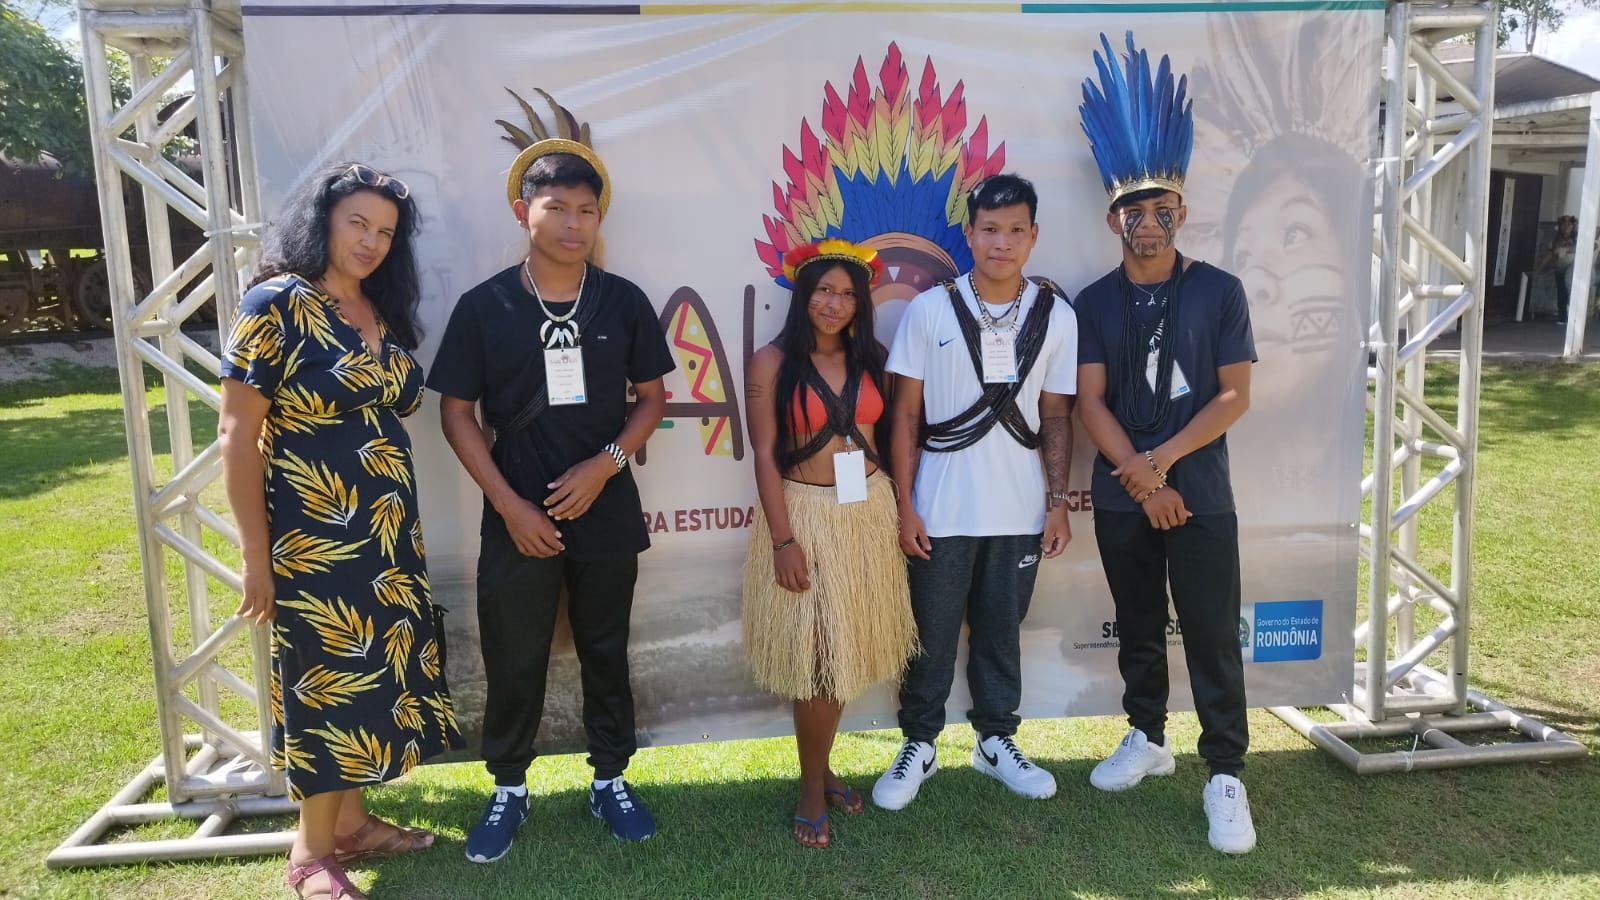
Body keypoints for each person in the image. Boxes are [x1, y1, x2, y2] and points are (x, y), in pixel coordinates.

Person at [218, 161, 465, 900]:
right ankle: (309, 852)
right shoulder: (277, 303)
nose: (370, 241)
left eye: (385, 232)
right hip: (314, 537)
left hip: (385, 536)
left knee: (372, 675)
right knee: (329, 683)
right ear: (321, 220)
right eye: (357, 222)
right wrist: (255, 554)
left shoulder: (374, 308)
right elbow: (236, 433)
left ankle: (352, 824)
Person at [428, 136, 674, 863]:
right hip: (517, 512)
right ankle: (508, 787)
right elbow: (455, 413)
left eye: (587, 211)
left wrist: (605, 465)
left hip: (607, 505)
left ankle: (610, 779)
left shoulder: (623, 301)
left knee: (605, 648)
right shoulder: (486, 306)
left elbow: (652, 399)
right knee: (514, 651)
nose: (573, 224)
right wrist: (509, 505)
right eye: (557, 208)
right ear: (522, 212)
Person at [1075, 32, 1257, 854]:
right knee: (1139, 622)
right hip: (1125, 495)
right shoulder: (1092, 302)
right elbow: (1090, 400)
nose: (1146, 224)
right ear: (1112, 218)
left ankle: (1226, 772)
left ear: (1181, 213)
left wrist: (1165, 464)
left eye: (1161, 211)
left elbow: (1233, 395)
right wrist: (1144, 482)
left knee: (1212, 631)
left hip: (1200, 492)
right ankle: (1147, 737)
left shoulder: (1220, 290)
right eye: (1132, 212)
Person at [870, 173, 1078, 811]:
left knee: (1000, 632)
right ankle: (920, 743)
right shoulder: (929, 310)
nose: (1001, 243)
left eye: (1015, 230)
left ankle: (995, 741)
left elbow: (1057, 416)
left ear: (1034, 235)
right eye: (990, 229)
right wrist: (905, 505)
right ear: (969, 233)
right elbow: (905, 416)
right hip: (940, 506)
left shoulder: (1057, 317)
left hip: (1019, 509)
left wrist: (1057, 503)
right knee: (930, 633)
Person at [742, 238, 919, 849]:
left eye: (847, 293)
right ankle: (811, 790)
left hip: (865, 517)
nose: (834, 303)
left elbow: (896, 435)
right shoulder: (770, 362)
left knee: (843, 656)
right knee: (818, 659)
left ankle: (821, 771)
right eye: (823, 290)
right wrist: (783, 541)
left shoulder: (874, 358)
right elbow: (764, 454)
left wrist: (903, 509)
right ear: (803, 294)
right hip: (804, 518)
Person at [1537, 215, 1578, 323]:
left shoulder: (1577, 239)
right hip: (1560, 269)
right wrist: (1540, 268)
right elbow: (1549, 255)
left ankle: (1574, 314)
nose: (1566, 227)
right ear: (1560, 226)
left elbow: (1593, 245)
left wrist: (1569, 250)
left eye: (1569, 225)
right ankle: (1563, 317)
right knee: (1561, 292)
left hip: (1572, 268)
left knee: (1570, 287)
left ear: (1573, 226)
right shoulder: (1555, 240)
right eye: (1563, 225)